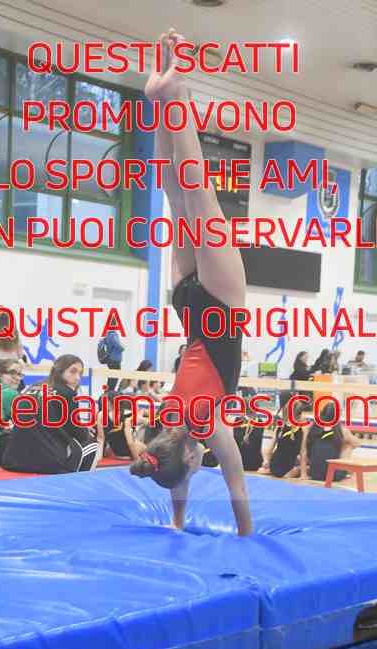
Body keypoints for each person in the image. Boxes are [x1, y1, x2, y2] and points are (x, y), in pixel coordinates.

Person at [129, 30, 252, 536]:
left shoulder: (206, 426)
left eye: (193, 466)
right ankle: (161, 97)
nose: (199, 468)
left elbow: (236, 481)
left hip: (221, 309)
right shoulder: (168, 421)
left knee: (198, 194)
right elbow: (172, 473)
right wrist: (176, 521)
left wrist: (246, 535)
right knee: (178, 198)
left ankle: (175, 91)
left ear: (188, 454)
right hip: (187, 306)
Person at [2, 355, 104, 474]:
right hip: (47, 463)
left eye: (80, 374)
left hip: (13, 460)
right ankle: (81, 481)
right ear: (60, 371)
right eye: (73, 371)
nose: (77, 378)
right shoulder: (67, 393)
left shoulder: (31, 388)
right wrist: (87, 431)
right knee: (92, 444)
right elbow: (79, 434)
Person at [302, 401, 361, 482]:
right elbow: (357, 444)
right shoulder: (342, 430)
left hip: (315, 474)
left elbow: (303, 451)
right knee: (348, 445)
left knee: (315, 446)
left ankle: (310, 468)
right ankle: (347, 469)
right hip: (334, 475)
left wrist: (303, 474)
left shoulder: (310, 427)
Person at [260, 399, 311, 478]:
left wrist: (266, 462)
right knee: (308, 467)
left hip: (274, 466)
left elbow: (270, 448)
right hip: (288, 468)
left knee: (292, 456)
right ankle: (293, 472)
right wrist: (303, 474)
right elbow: (303, 451)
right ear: (300, 414)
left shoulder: (280, 425)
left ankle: (269, 470)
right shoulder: (304, 427)